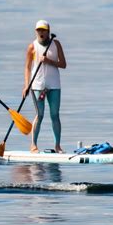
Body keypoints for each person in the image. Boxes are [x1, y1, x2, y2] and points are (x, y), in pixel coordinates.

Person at [22, 20, 67, 153]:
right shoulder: (32, 47)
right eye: (39, 30)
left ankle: (57, 146)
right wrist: (26, 86)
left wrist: (48, 61)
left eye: (43, 30)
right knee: (39, 115)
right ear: (36, 31)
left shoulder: (56, 44)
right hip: (37, 85)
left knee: (55, 115)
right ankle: (33, 145)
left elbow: (63, 64)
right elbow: (27, 68)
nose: (41, 33)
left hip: (54, 85)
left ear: (48, 31)